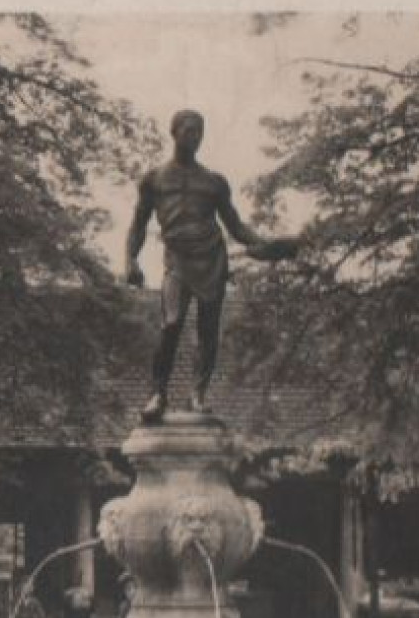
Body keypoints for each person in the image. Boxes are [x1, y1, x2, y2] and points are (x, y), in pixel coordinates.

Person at [125, 109, 297, 421]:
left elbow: (236, 226)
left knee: (208, 330)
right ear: (174, 132)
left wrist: (263, 246)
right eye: (190, 130)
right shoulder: (154, 180)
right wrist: (130, 259)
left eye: (200, 131)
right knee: (171, 323)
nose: (195, 137)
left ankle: (197, 395)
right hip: (177, 259)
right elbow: (138, 223)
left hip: (211, 258)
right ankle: (157, 394)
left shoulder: (213, 182)